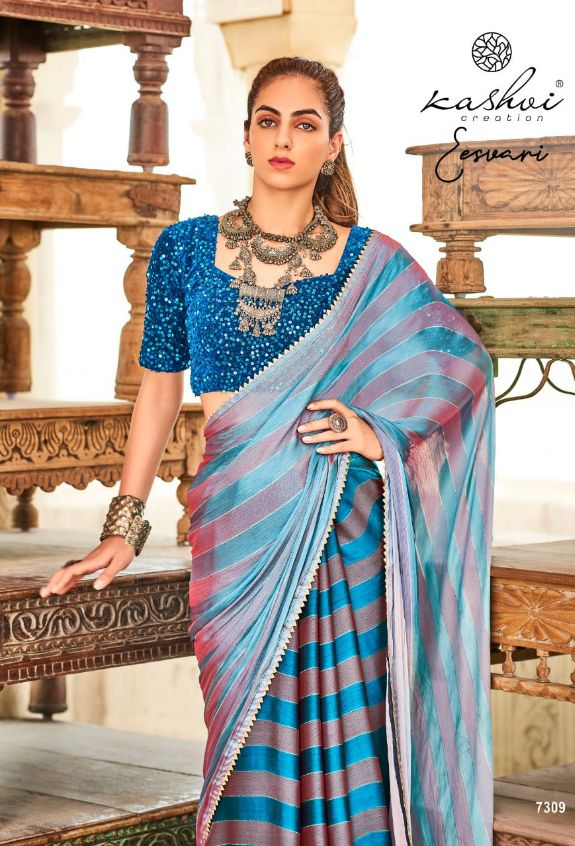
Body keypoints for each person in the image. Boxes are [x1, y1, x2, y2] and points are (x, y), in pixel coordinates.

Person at [39, 56, 496, 846]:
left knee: (348, 735)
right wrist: (124, 526)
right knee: (244, 735)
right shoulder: (184, 251)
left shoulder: (370, 260)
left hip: (340, 529)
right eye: (269, 120)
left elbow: (459, 366)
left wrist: (377, 435)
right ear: (247, 135)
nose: (284, 138)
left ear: (334, 144)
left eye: (305, 124)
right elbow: (158, 391)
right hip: (235, 526)